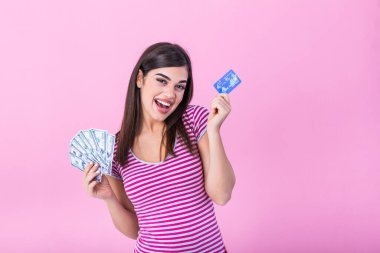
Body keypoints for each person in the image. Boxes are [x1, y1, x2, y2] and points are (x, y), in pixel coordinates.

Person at [82, 42, 236, 252]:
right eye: (162, 81)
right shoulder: (115, 149)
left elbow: (222, 194)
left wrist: (214, 131)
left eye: (179, 86)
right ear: (139, 79)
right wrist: (108, 199)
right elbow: (135, 229)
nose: (170, 94)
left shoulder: (195, 120)